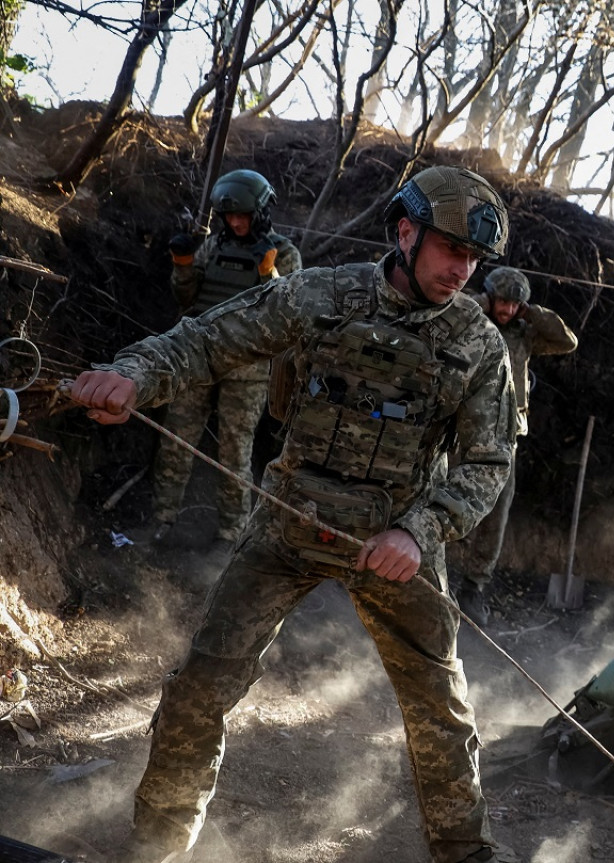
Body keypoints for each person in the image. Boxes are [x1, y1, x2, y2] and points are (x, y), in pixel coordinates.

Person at [71, 165, 518, 863]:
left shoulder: (479, 345)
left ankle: (465, 850)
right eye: (451, 249)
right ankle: (157, 842)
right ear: (405, 232)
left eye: (473, 258)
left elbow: (488, 463)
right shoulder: (322, 293)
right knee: (200, 686)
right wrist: (135, 372)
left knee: (441, 707)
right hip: (288, 521)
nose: (463, 269)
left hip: (396, 541)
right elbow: (209, 340)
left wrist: (418, 529)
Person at [154, 169, 303, 547]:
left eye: (244, 216)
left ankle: (230, 534)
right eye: (229, 216)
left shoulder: (283, 252)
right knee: (175, 440)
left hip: (247, 368)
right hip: (199, 357)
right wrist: (183, 265)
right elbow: (187, 300)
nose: (236, 223)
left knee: (235, 452)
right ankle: (161, 519)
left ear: (261, 212)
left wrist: (269, 271)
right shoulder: (214, 246)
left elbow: (291, 312)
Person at [455, 267, 578, 624]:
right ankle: (429, 570)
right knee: (441, 490)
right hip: (461, 424)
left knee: (497, 512)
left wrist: (531, 313)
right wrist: (481, 302)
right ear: (490, 296)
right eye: (502, 302)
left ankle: (474, 587)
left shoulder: (525, 335)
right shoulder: (472, 319)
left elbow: (567, 341)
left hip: (505, 433)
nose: (507, 310)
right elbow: (448, 309)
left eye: (513, 304)